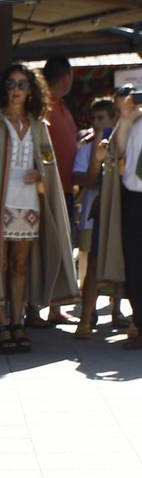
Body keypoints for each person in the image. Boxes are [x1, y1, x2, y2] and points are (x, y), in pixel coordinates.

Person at [0, 64, 79, 353]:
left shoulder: (39, 125)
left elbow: (48, 166)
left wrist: (40, 174)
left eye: (22, 84)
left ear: (31, 90)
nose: (16, 90)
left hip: (28, 201)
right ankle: (1, 322)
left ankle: (17, 321)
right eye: (11, 83)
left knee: (19, 264)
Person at [97, 87, 142, 348]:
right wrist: (125, 118)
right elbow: (117, 153)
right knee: (135, 264)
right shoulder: (132, 120)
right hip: (134, 198)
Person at [73, 97, 117, 338]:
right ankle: (85, 318)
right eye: (94, 119)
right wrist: (97, 153)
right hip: (93, 215)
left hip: (117, 213)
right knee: (91, 267)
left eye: (103, 119)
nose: (97, 123)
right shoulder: (87, 146)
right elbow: (88, 179)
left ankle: (119, 312)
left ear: (115, 119)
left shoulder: (124, 141)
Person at [43, 55, 78, 326]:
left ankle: (55, 308)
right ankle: (34, 309)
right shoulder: (45, 107)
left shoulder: (62, 107)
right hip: (48, 189)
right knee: (44, 248)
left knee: (63, 246)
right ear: (66, 76)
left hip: (66, 187)